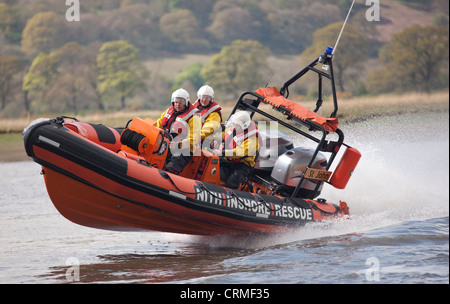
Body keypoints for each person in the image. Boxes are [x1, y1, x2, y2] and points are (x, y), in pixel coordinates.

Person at [156, 88, 201, 174]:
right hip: (167, 144)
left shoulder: (194, 117)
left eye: (181, 102)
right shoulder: (170, 111)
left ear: (186, 102)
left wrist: (178, 145)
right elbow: (159, 124)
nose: (178, 104)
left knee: (170, 169)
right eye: (176, 102)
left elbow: (193, 139)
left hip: (184, 150)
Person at [215, 111, 259, 189]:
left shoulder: (252, 139)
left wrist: (222, 152)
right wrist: (215, 140)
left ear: (244, 125)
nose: (235, 127)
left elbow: (240, 152)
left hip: (242, 165)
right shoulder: (235, 129)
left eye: (237, 125)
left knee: (232, 181)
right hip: (229, 160)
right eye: (234, 124)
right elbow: (224, 135)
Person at [192, 85, 222, 150]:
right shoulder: (194, 107)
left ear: (211, 99)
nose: (204, 100)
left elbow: (207, 130)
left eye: (207, 98)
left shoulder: (214, 114)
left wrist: (197, 137)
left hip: (208, 139)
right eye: (202, 97)